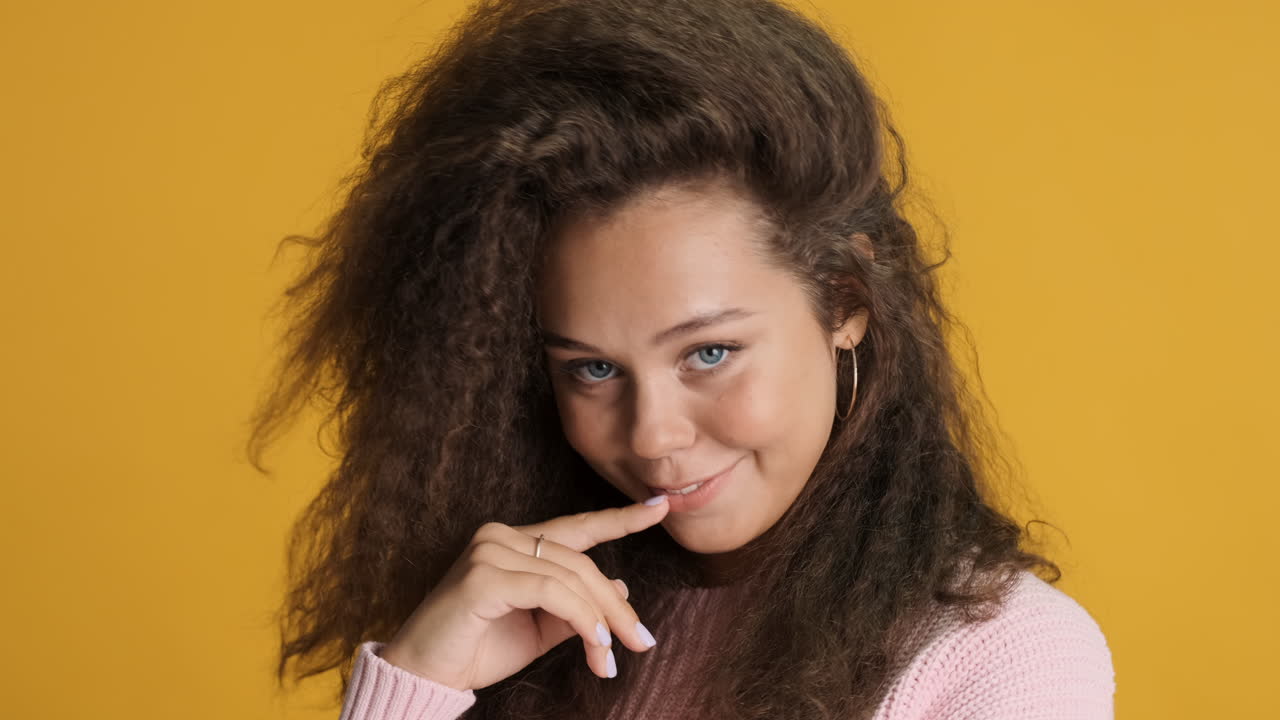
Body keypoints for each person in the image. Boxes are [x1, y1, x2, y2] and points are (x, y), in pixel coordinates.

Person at [248, 0, 1115, 718]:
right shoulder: (545, 626)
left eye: (708, 352)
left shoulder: (1005, 656)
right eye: (591, 368)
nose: (653, 437)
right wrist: (418, 685)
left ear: (847, 302)